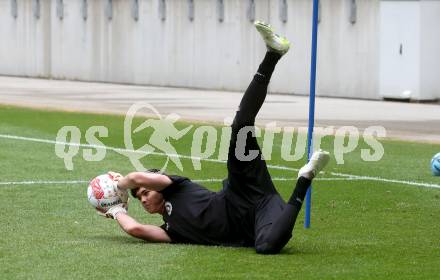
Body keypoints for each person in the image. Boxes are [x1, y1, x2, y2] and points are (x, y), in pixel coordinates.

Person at [99, 21, 330, 254]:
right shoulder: (171, 230)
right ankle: (305, 178)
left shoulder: (176, 187)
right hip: (260, 216)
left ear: (158, 186)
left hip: (241, 189)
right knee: (267, 246)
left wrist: (119, 184)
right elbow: (136, 230)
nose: (144, 199)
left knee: (240, 126)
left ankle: (273, 53)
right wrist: (117, 208)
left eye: (146, 192)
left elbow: (139, 176)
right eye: (140, 199)